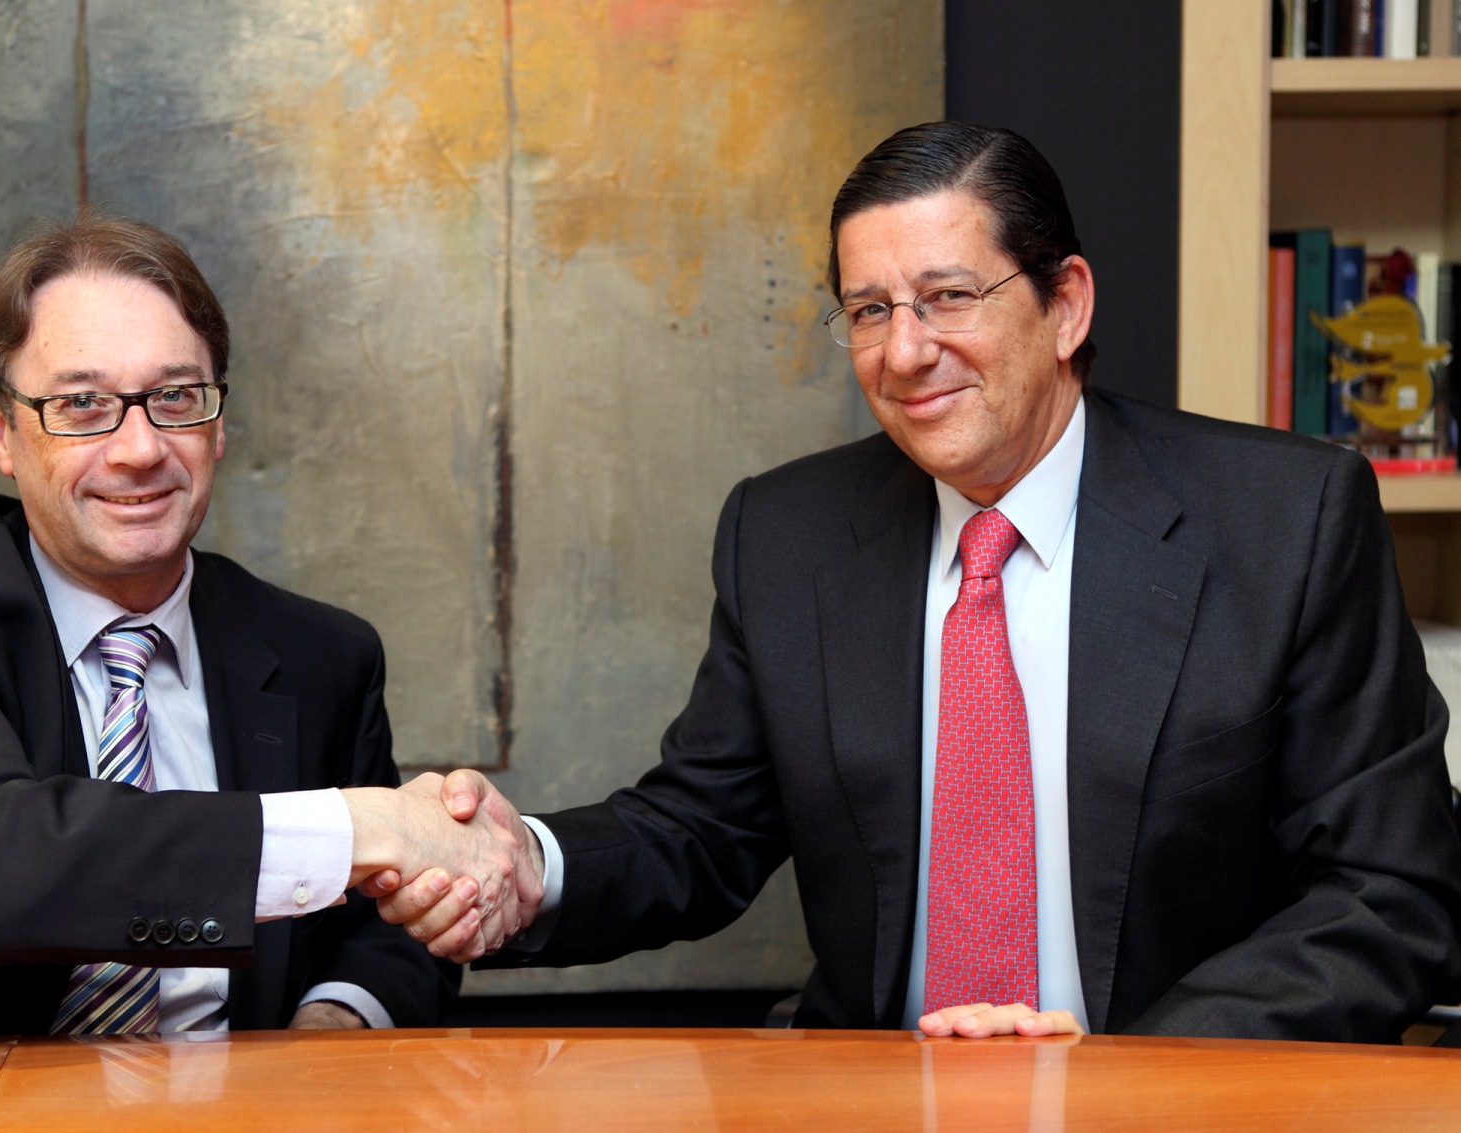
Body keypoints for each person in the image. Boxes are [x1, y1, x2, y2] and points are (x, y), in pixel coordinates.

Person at [374, 122, 1461, 1043]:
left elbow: (1391, 888)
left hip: (1176, 1093)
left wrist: (1130, 1069)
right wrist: (530, 863)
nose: (904, 352)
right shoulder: (787, 534)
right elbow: (702, 828)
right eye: (868, 310)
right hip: (878, 1095)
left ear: (1066, 305)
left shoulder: (1285, 522)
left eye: (947, 297)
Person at [0, 215, 537, 1043]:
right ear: (1, 427)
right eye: (82, 404)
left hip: (231, 1099)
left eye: (174, 397)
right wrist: (364, 827)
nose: (138, 449)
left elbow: (391, 925)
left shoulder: (323, 656)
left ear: (218, 421)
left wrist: (331, 1025)